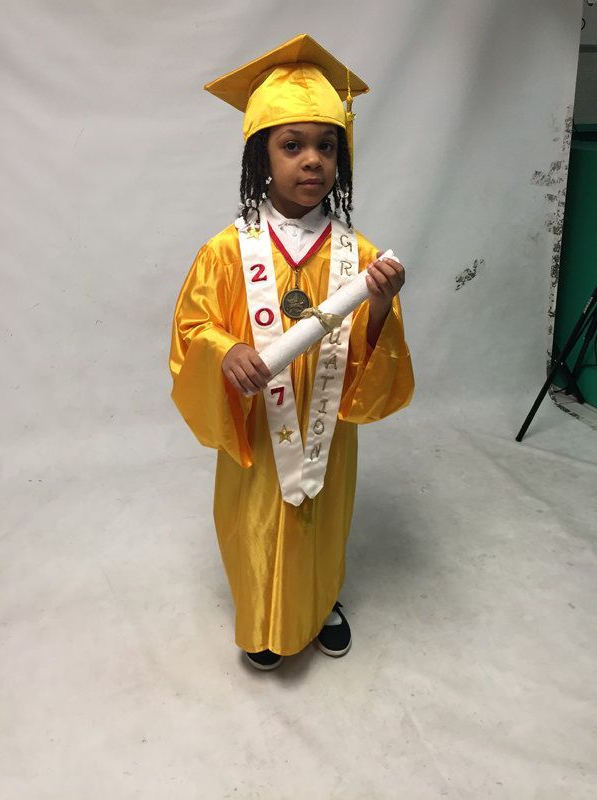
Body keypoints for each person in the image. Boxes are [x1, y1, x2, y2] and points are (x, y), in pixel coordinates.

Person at [169, 34, 414, 670]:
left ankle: (322, 600)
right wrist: (224, 352)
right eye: (292, 145)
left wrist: (381, 305)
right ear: (261, 157)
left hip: (325, 428)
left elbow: (374, 360)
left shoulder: (358, 256)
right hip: (257, 422)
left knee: (323, 517)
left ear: (343, 158)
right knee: (254, 519)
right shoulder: (227, 251)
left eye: (326, 146)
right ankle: (260, 616)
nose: (312, 162)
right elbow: (193, 330)